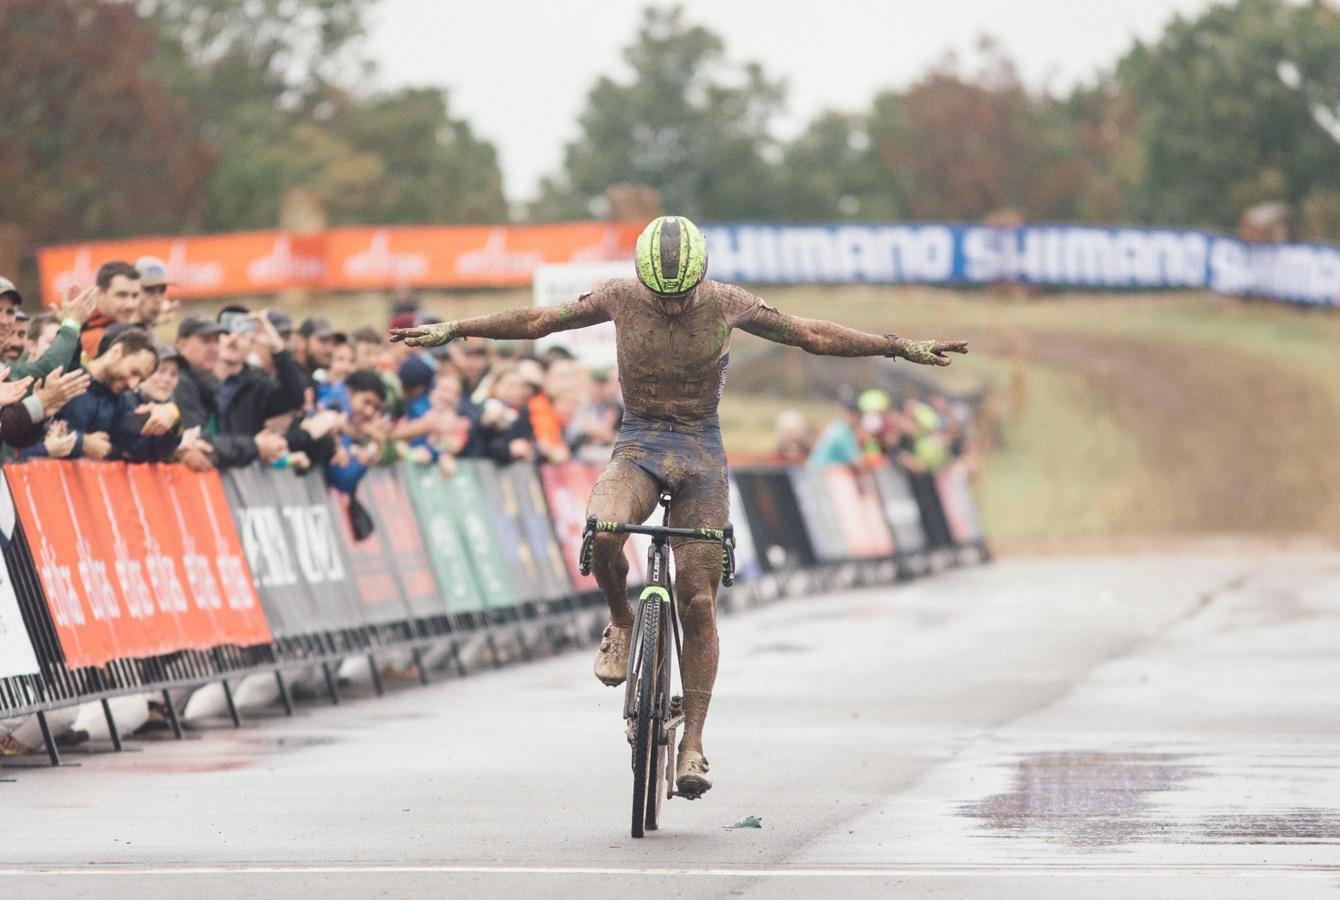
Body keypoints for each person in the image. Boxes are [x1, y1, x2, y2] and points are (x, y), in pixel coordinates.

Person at [391, 214, 967, 799]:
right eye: (660, 298)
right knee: (607, 530)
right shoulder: (619, 295)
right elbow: (539, 320)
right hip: (639, 442)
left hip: (701, 451)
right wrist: (456, 328)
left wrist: (900, 348)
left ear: (702, 280)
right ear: (642, 279)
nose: (670, 308)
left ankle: (692, 744)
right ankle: (619, 622)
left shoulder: (726, 303)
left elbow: (809, 333)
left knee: (697, 599)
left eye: (681, 298)